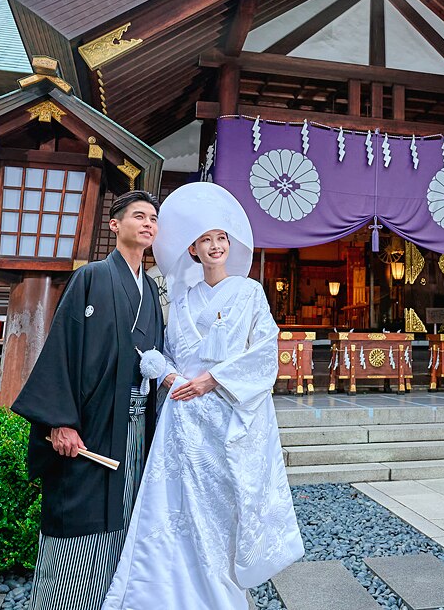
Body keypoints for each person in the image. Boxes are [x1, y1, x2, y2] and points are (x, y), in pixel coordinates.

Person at [103, 182, 304, 610]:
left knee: (222, 507)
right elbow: (171, 353)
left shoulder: (250, 293)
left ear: (229, 245)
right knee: (175, 506)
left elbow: (265, 352)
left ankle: (221, 589)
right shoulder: (184, 299)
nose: (214, 247)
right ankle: (163, 589)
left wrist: (212, 380)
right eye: (205, 241)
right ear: (193, 250)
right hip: (184, 416)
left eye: (221, 239)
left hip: (228, 414)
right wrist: (171, 374)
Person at [13, 190, 165, 610]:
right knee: (80, 510)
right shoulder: (91, 277)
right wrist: (59, 420)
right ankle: (64, 600)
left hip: (134, 424)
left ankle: (116, 598)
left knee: (126, 506)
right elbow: (62, 348)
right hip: (90, 423)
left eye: (154, 218)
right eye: (139, 216)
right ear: (115, 225)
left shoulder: (150, 291)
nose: (149, 223)